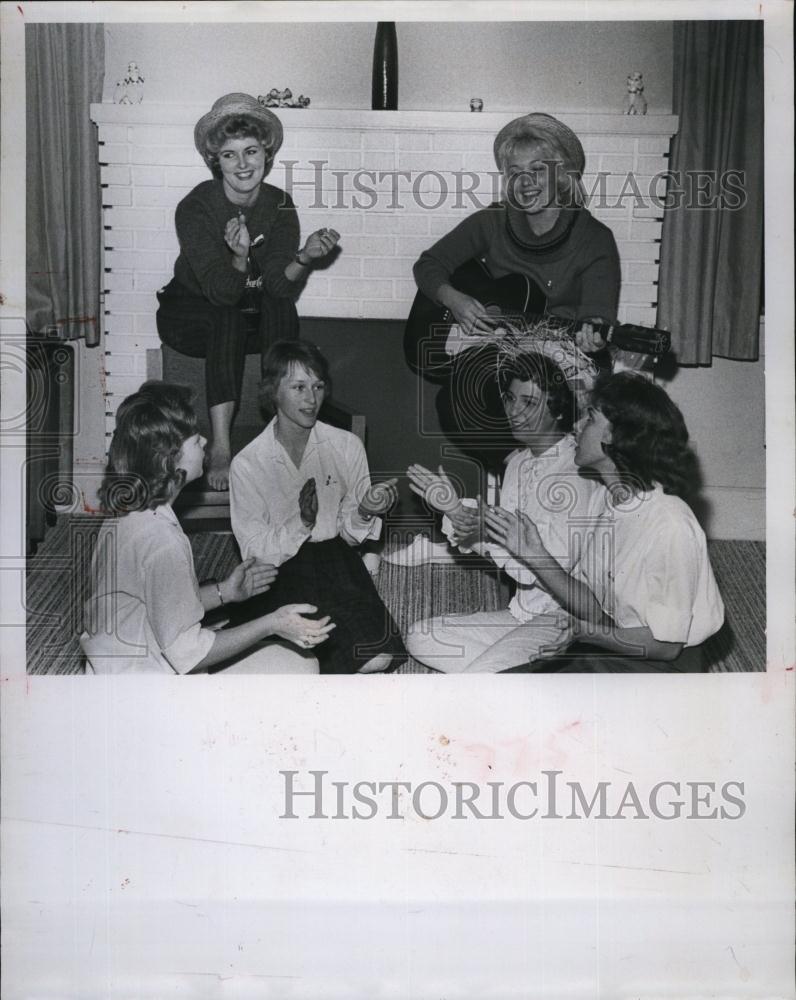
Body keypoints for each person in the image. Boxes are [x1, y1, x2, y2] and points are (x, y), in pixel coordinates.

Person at [392, 112, 621, 565]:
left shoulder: (594, 239)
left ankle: (509, 525)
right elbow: (428, 266)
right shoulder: (492, 222)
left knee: (536, 400)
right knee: (453, 401)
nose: (525, 182)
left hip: (562, 361)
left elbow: (597, 317)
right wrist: (456, 301)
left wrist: (592, 334)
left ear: (563, 175)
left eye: (538, 170)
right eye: (514, 172)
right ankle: (505, 519)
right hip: (503, 360)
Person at [80, 382, 334, 675]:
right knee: (302, 664)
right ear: (169, 460)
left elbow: (161, 603)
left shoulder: (126, 514)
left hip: (114, 670)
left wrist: (225, 592)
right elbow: (190, 656)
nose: (203, 441)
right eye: (192, 438)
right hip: (147, 689)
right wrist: (272, 623)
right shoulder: (163, 542)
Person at [156, 93, 340, 490]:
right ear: (215, 160)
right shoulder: (196, 207)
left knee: (281, 309)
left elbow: (277, 284)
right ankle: (221, 447)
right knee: (227, 314)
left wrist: (305, 256)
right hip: (188, 312)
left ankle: (284, 435)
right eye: (229, 154)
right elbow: (222, 294)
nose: (242, 164)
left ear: (266, 154)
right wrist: (238, 258)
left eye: (251, 151)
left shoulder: (280, 205)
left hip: (249, 306)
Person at [482, 372, 725, 673]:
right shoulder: (604, 500)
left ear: (613, 436)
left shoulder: (670, 523)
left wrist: (585, 633)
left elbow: (665, 646)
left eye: (590, 419)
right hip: (612, 640)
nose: (577, 426)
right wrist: (535, 555)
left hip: (665, 669)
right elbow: (593, 608)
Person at [404, 348, 601, 672]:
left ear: (559, 411)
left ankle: (516, 676)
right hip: (522, 614)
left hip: (565, 620)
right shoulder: (519, 462)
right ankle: (523, 678)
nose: (514, 412)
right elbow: (500, 544)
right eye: (510, 399)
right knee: (421, 636)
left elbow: (538, 569)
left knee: (479, 681)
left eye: (530, 403)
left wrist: (484, 529)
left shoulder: (576, 473)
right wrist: (454, 511)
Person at [228, 341, 407, 675]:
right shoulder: (248, 464)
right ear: (272, 393)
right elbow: (255, 552)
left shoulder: (346, 445)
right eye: (298, 387)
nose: (311, 399)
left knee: (377, 655)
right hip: (279, 571)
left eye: (318, 386)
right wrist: (301, 523)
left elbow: (350, 538)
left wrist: (366, 511)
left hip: (336, 560)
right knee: (310, 661)